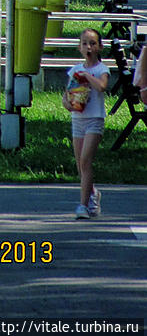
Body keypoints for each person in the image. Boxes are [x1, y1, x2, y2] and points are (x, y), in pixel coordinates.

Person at [62, 28, 110, 220]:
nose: (88, 47)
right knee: (79, 164)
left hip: (94, 119)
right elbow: (67, 94)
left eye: (92, 43)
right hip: (78, 120)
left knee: (85, 161)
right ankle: (93, 193)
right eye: (84, 43)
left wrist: (87, 76)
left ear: (99, 47)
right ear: (79, 47)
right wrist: (68, 104)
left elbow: (102, 86)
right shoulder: (75, 70)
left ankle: (83, 205)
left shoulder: (101, 70)